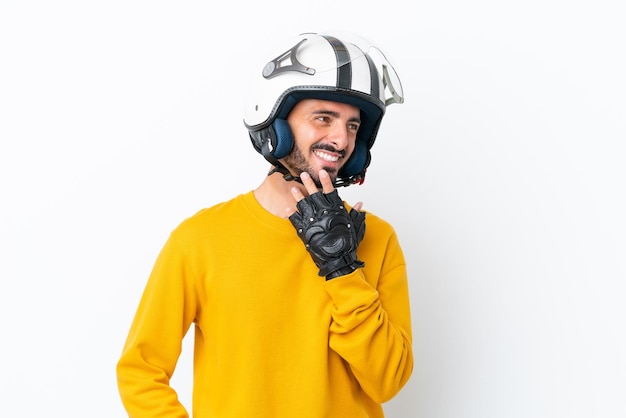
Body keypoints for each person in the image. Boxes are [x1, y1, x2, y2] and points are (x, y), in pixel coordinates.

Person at [116, 31, 413, 417]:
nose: (340, 138)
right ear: (275, 123)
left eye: (353, 126)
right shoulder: (199, 241)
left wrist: (341, 271)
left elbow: (387, 381)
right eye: (323, 118)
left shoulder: (377, 238)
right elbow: (141, 371)